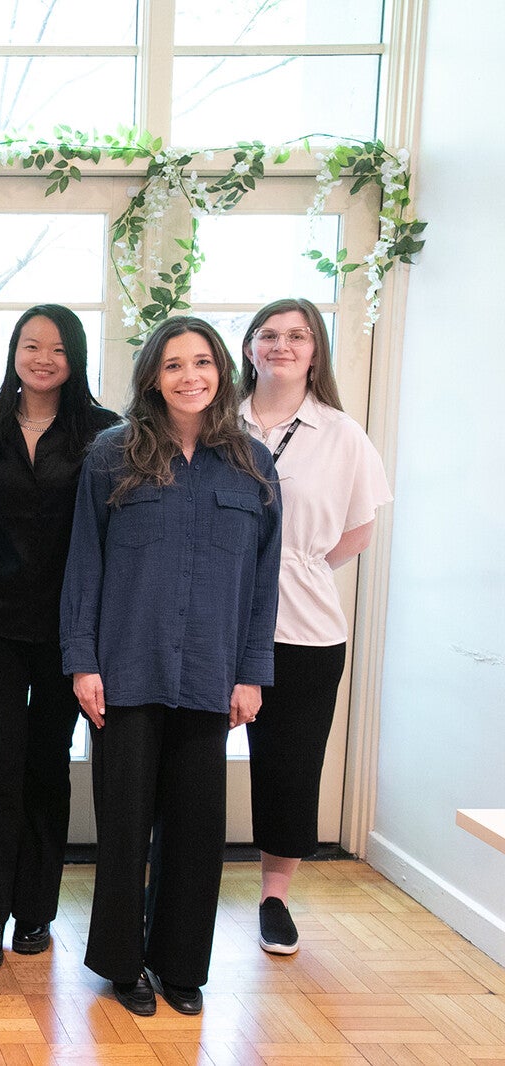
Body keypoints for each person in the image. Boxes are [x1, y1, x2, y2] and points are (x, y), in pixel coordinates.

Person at [61, 316, 281, 1018]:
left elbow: (264, 580)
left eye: (204, 363)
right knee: (124, 827)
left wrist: (251, 672)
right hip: (125, 669)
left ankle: (181, 964)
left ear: (222, 371)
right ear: (153, 375)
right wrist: (82, 661)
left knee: (196, 829)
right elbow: (84, 566)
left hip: (212, 674)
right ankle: (124, 966)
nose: (191, 376)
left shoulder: (253, 463)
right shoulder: (110, 455)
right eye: (175, 364)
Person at [0, 305, 119, 971]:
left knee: (49, 765)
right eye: (31, 345)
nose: (43, 357)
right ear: (14, 353)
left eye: (57, 347)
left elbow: (116, 542)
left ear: (74, 357)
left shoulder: (106, 435)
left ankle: (36, 914)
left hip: (71, 630)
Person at [237, 298, 391, 956]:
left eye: (296, 336)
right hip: (215, 621)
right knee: (182, 759)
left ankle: (275, 897)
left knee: (291, 769)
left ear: (315, 351)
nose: (281, 345)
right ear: (248, 348)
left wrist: (290, 567)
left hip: (305, 629)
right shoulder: (219, 420)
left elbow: (356, 531)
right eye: (268, 334)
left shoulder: (341, 434)